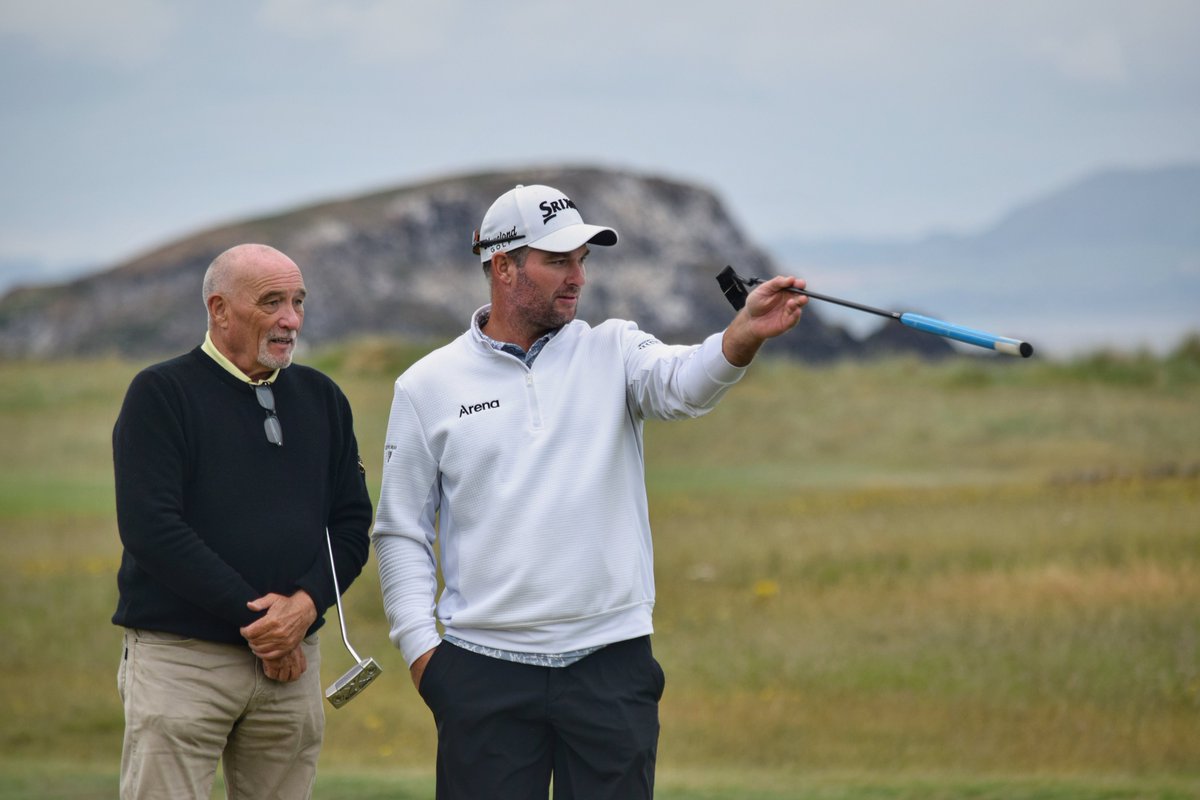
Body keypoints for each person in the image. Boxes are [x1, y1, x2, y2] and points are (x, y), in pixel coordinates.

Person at [373, 183, 808, 798]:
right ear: (502, 266)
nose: (577, 276)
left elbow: (683, 384)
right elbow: (400, 531)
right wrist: (426, 659)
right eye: (557, 261)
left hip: (610, 665)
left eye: (582, 259)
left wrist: (744, 336)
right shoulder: (427, 385)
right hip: (483, 672)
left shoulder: (616, 348)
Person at [111, 243, 373, 799]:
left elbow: (350, 525)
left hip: (292, 663)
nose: (290, 319)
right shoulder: (161, 393)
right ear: (219, 309)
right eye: (272, 301)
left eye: (298, 302)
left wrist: (302, 608)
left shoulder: (322, 397)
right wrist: (265, 628)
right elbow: (152, 529)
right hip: (185, 662)